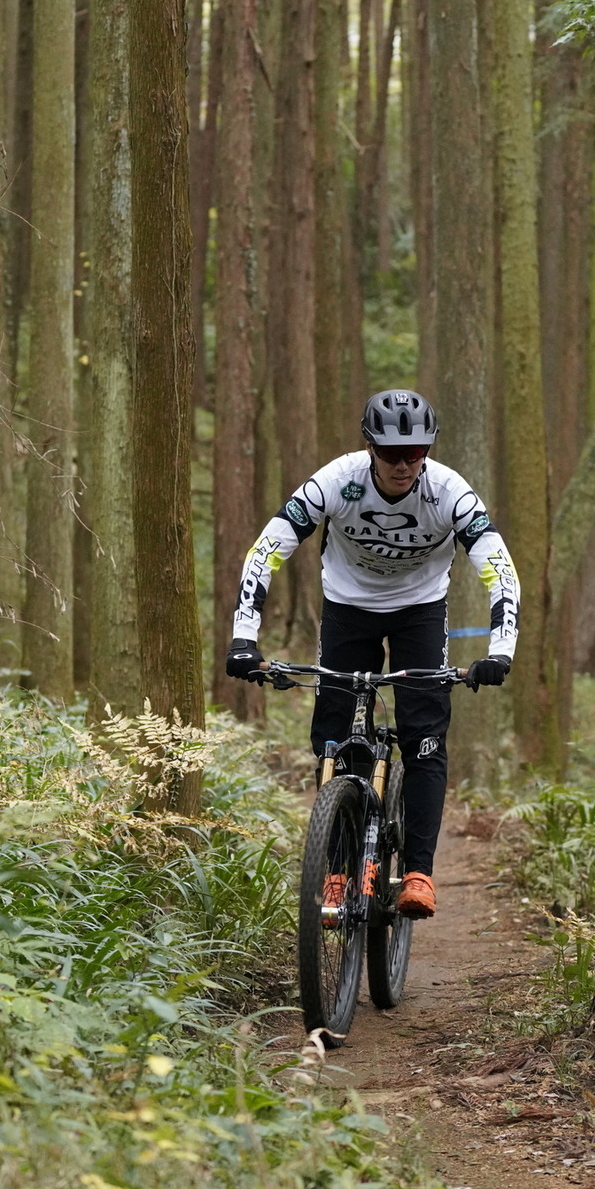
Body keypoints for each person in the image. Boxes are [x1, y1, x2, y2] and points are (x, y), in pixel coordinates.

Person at [223, 389, 520, 920]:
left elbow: (498, 567)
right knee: (334, 735)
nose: (404, 464)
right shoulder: (337, 481)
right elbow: (267, 548)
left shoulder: (449, 491)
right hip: (347, 608)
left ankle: (418, 873)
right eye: (391, 453)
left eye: (416, 452)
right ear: (370, 448)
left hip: (421, 612)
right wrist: (244, 636)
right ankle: (336, 869)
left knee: (423, 736)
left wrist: (501, 650)